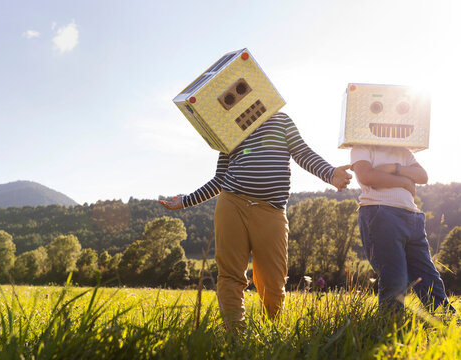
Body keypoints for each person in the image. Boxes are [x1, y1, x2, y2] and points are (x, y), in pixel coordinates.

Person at [160, 111, 352, 328]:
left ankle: (270, 331)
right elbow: (220, 178)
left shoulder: (281, 120)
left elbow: (302, 153)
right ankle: (234, 334)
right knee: (230, 274)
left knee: (273, 279)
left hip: (271, 211)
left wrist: (330, 173)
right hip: (232, 204)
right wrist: (186, 201)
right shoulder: (229, 126)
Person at [351, 145, 456, 314]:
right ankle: (391, 324)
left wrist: (394, 168)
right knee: (395, 277)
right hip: (381, 213)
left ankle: (446, 319)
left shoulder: (403, 151)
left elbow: (422, 176)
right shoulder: (363, 147)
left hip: (412, 216)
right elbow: (367, 176)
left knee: (428, 275)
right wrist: (405, 180)